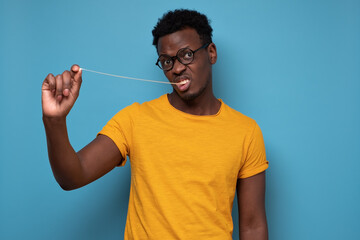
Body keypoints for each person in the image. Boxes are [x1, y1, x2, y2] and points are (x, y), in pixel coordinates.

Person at [42, 9, 269, 240]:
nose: (177, 68)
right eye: (167, 61)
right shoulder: (135, 119)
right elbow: (72, 177)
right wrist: (54, 120)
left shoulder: (245, 132)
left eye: (187, 55)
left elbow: (252, 226)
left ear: (211, 53)